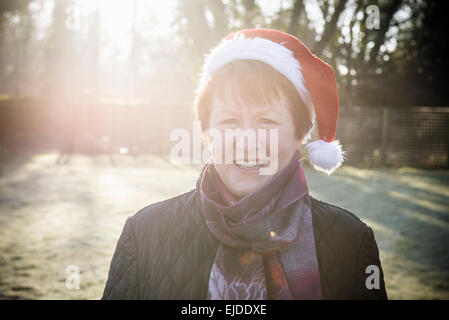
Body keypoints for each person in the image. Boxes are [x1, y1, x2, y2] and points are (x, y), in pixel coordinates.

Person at [102, 29, 387, 300]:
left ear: (301, 134)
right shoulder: (144, 234)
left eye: (267, 121)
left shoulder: (350, 241)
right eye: (229, 121)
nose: (247, 142)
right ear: (205, 133)